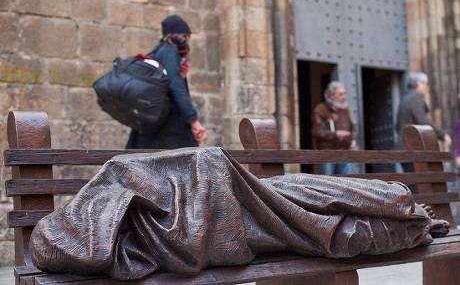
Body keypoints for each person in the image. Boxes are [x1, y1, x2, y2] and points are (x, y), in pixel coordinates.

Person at [29, 147, 449, 280]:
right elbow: (187, 245)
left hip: (236, 192)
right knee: (327, 228)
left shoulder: (111, 184)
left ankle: (402, 212)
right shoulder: (122, 247)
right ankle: (406, 218)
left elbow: (147, 171)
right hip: (242, 221)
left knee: (310, 198)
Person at [126, 15, 208, 149]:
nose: (188, 42)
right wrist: (193, 120)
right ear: (180, 36)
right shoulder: (170, 51)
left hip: (155, 125)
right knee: (187, 163)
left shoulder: (157, 52)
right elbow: (176, 85)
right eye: (186, 36)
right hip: (169, 128)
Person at [396, 72, 452, 176]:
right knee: (418, 184)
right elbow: (423, 123)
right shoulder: (416, 99)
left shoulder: (405, 99)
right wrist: (442, 134)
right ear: (419, 84)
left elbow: (397, 126)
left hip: (403, 148)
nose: (428, 87)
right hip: (412, 149)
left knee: (412, 180)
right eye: (426, 84)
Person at [312, 81, 357, 174]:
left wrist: (353, 138)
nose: (344, 97)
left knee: (346, 183)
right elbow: (316, 131)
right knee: (328, 184)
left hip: (345, 152)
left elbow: (353, 128)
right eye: (340, 94)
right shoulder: (320, 109)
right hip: (327, 154)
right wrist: (335, 134)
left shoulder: (345, 110)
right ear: (331, 95)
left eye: (344, 94)